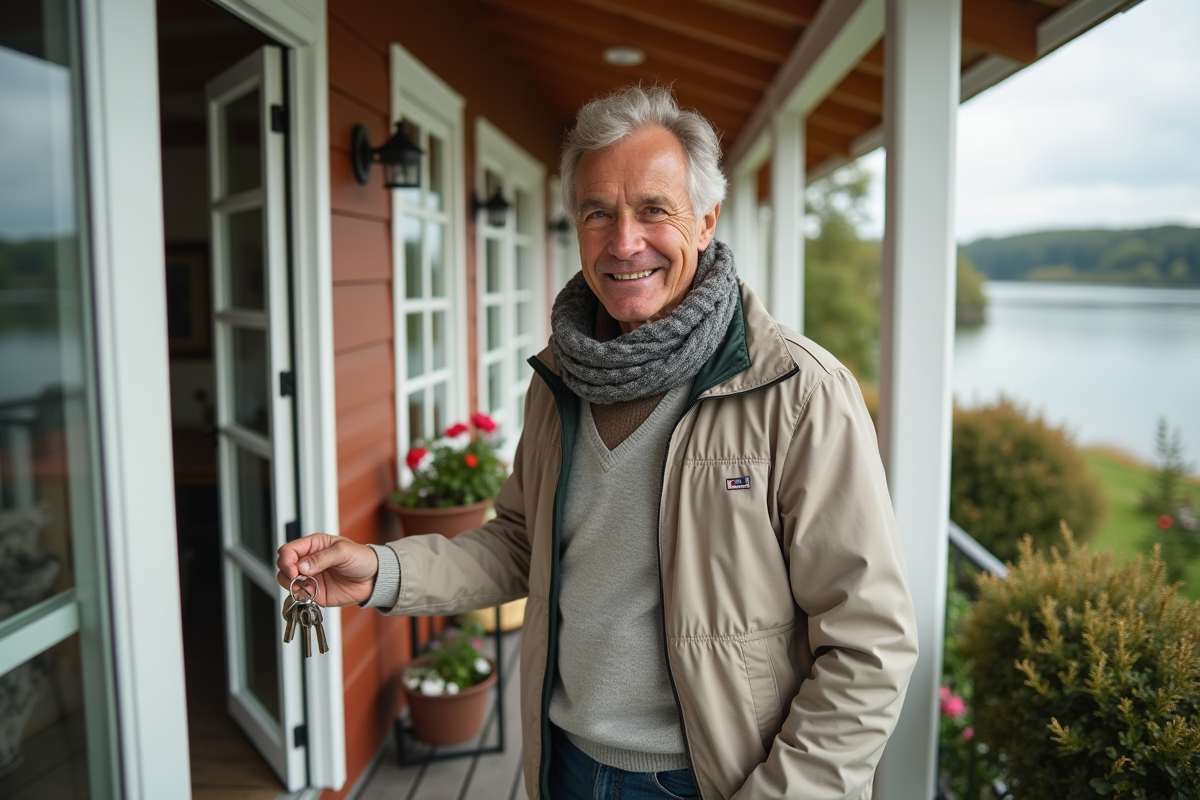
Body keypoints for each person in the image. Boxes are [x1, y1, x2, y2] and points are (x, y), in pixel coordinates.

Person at [277, 85, 918, 800]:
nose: (624, 242)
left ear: (706, 221)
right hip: (565, 764)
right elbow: (518, 543)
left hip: (718, 781)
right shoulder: (560, 376)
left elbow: (869, 643)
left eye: (654, 210)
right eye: (598, 214)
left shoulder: (798, 391)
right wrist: (379, 571)